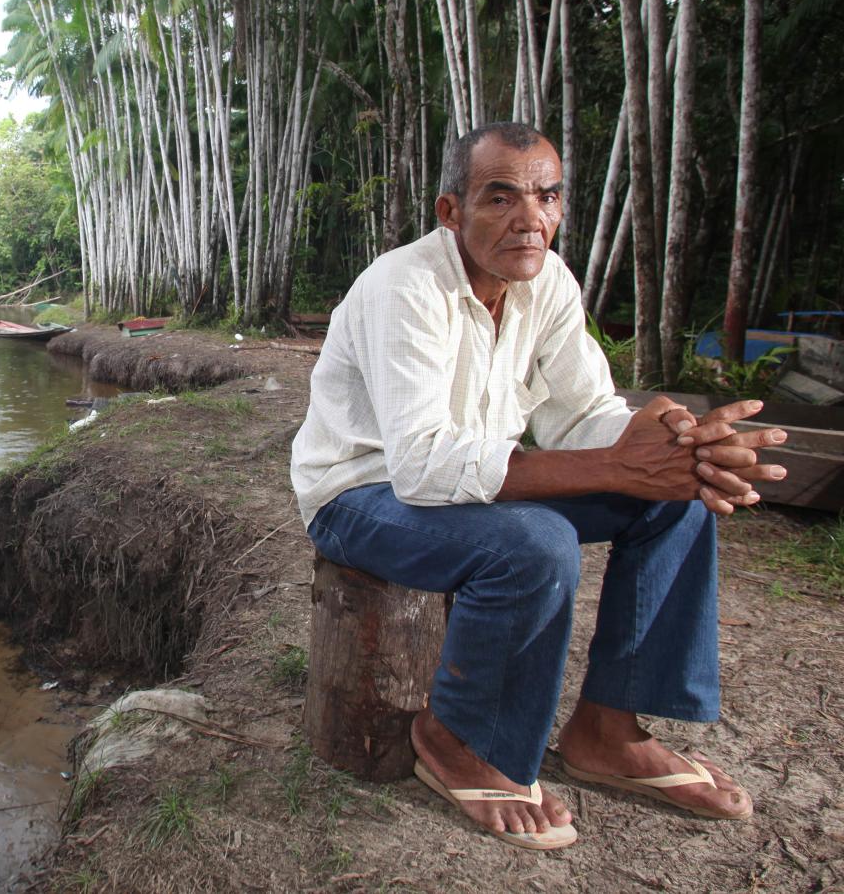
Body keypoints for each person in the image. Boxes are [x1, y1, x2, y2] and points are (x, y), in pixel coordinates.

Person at [289, 121, 789, 851]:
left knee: (675, 501)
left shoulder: (545, 280)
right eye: (501, 198)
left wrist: (678, 444)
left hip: (454, 481)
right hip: (364, 495)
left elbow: (583, 413)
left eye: (547, 197)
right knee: (534, 542)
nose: (531, 219)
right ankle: (460, 737)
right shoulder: (404, 286)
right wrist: (618, 466)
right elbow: (424, 465)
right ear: (451, 212)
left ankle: (609, 730)